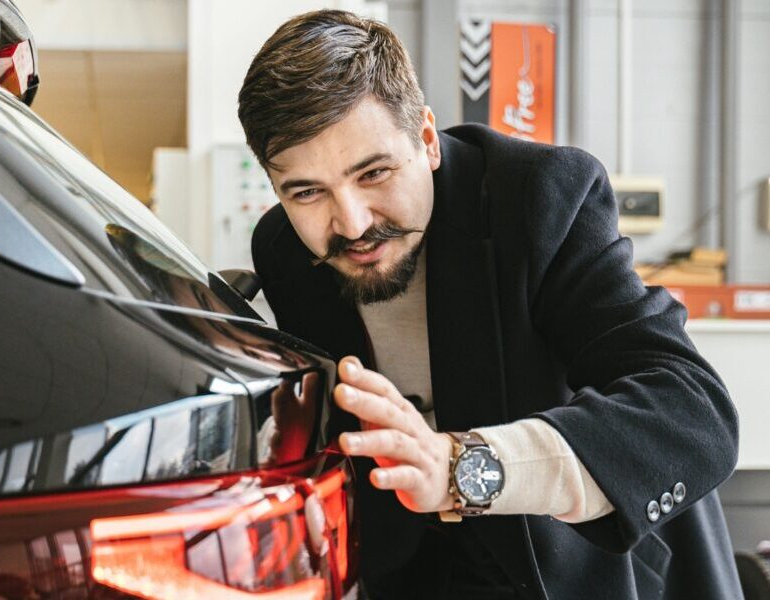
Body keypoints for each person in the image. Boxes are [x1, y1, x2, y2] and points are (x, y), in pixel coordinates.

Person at [238, 9, 742, 600]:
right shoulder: (281, 246)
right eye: (306, 191)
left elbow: (690, 410)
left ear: (427, 140)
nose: (351, 223)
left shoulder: (539, 197)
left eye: (373, 173)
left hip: (578, 567)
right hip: (409, 574)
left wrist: (458, 468)